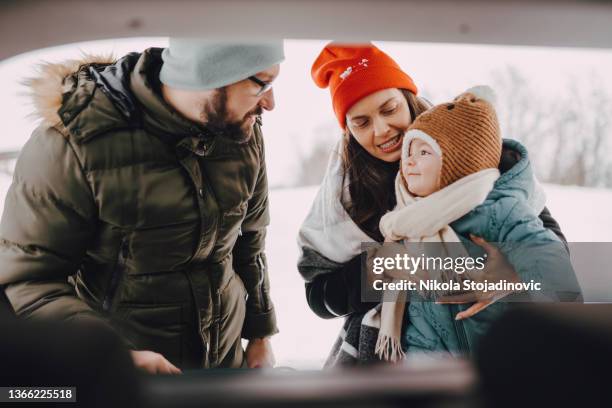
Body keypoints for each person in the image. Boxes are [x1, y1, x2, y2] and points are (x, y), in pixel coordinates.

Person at [0, 39, 283, 372]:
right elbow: (29, 281)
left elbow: (249, 240)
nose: (271, 103)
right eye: (261, 84)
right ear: (209, 75)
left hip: (225, 368)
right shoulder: (72, 143)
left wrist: (260, 334)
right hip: (124, 379)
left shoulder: (242, 132)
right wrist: (111, 358)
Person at [297, 43, 569, 366]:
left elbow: (554, 246)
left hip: (492, 337)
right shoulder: (347, 189)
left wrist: (507, 273)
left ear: (408, 96)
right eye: (362, 123)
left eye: (389, 109)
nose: (381, 130)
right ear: (347, 129)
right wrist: (376, 269)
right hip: (400, 352)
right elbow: (319, 296)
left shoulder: (463, 143)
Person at [376, 85, 581, 360]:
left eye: (424, 152)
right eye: (409, 152)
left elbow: (548, 263)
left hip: (499, 357)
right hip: (429, 358)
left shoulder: (499, 210)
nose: (410, 161)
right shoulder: (405, 218)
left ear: (458, 163)